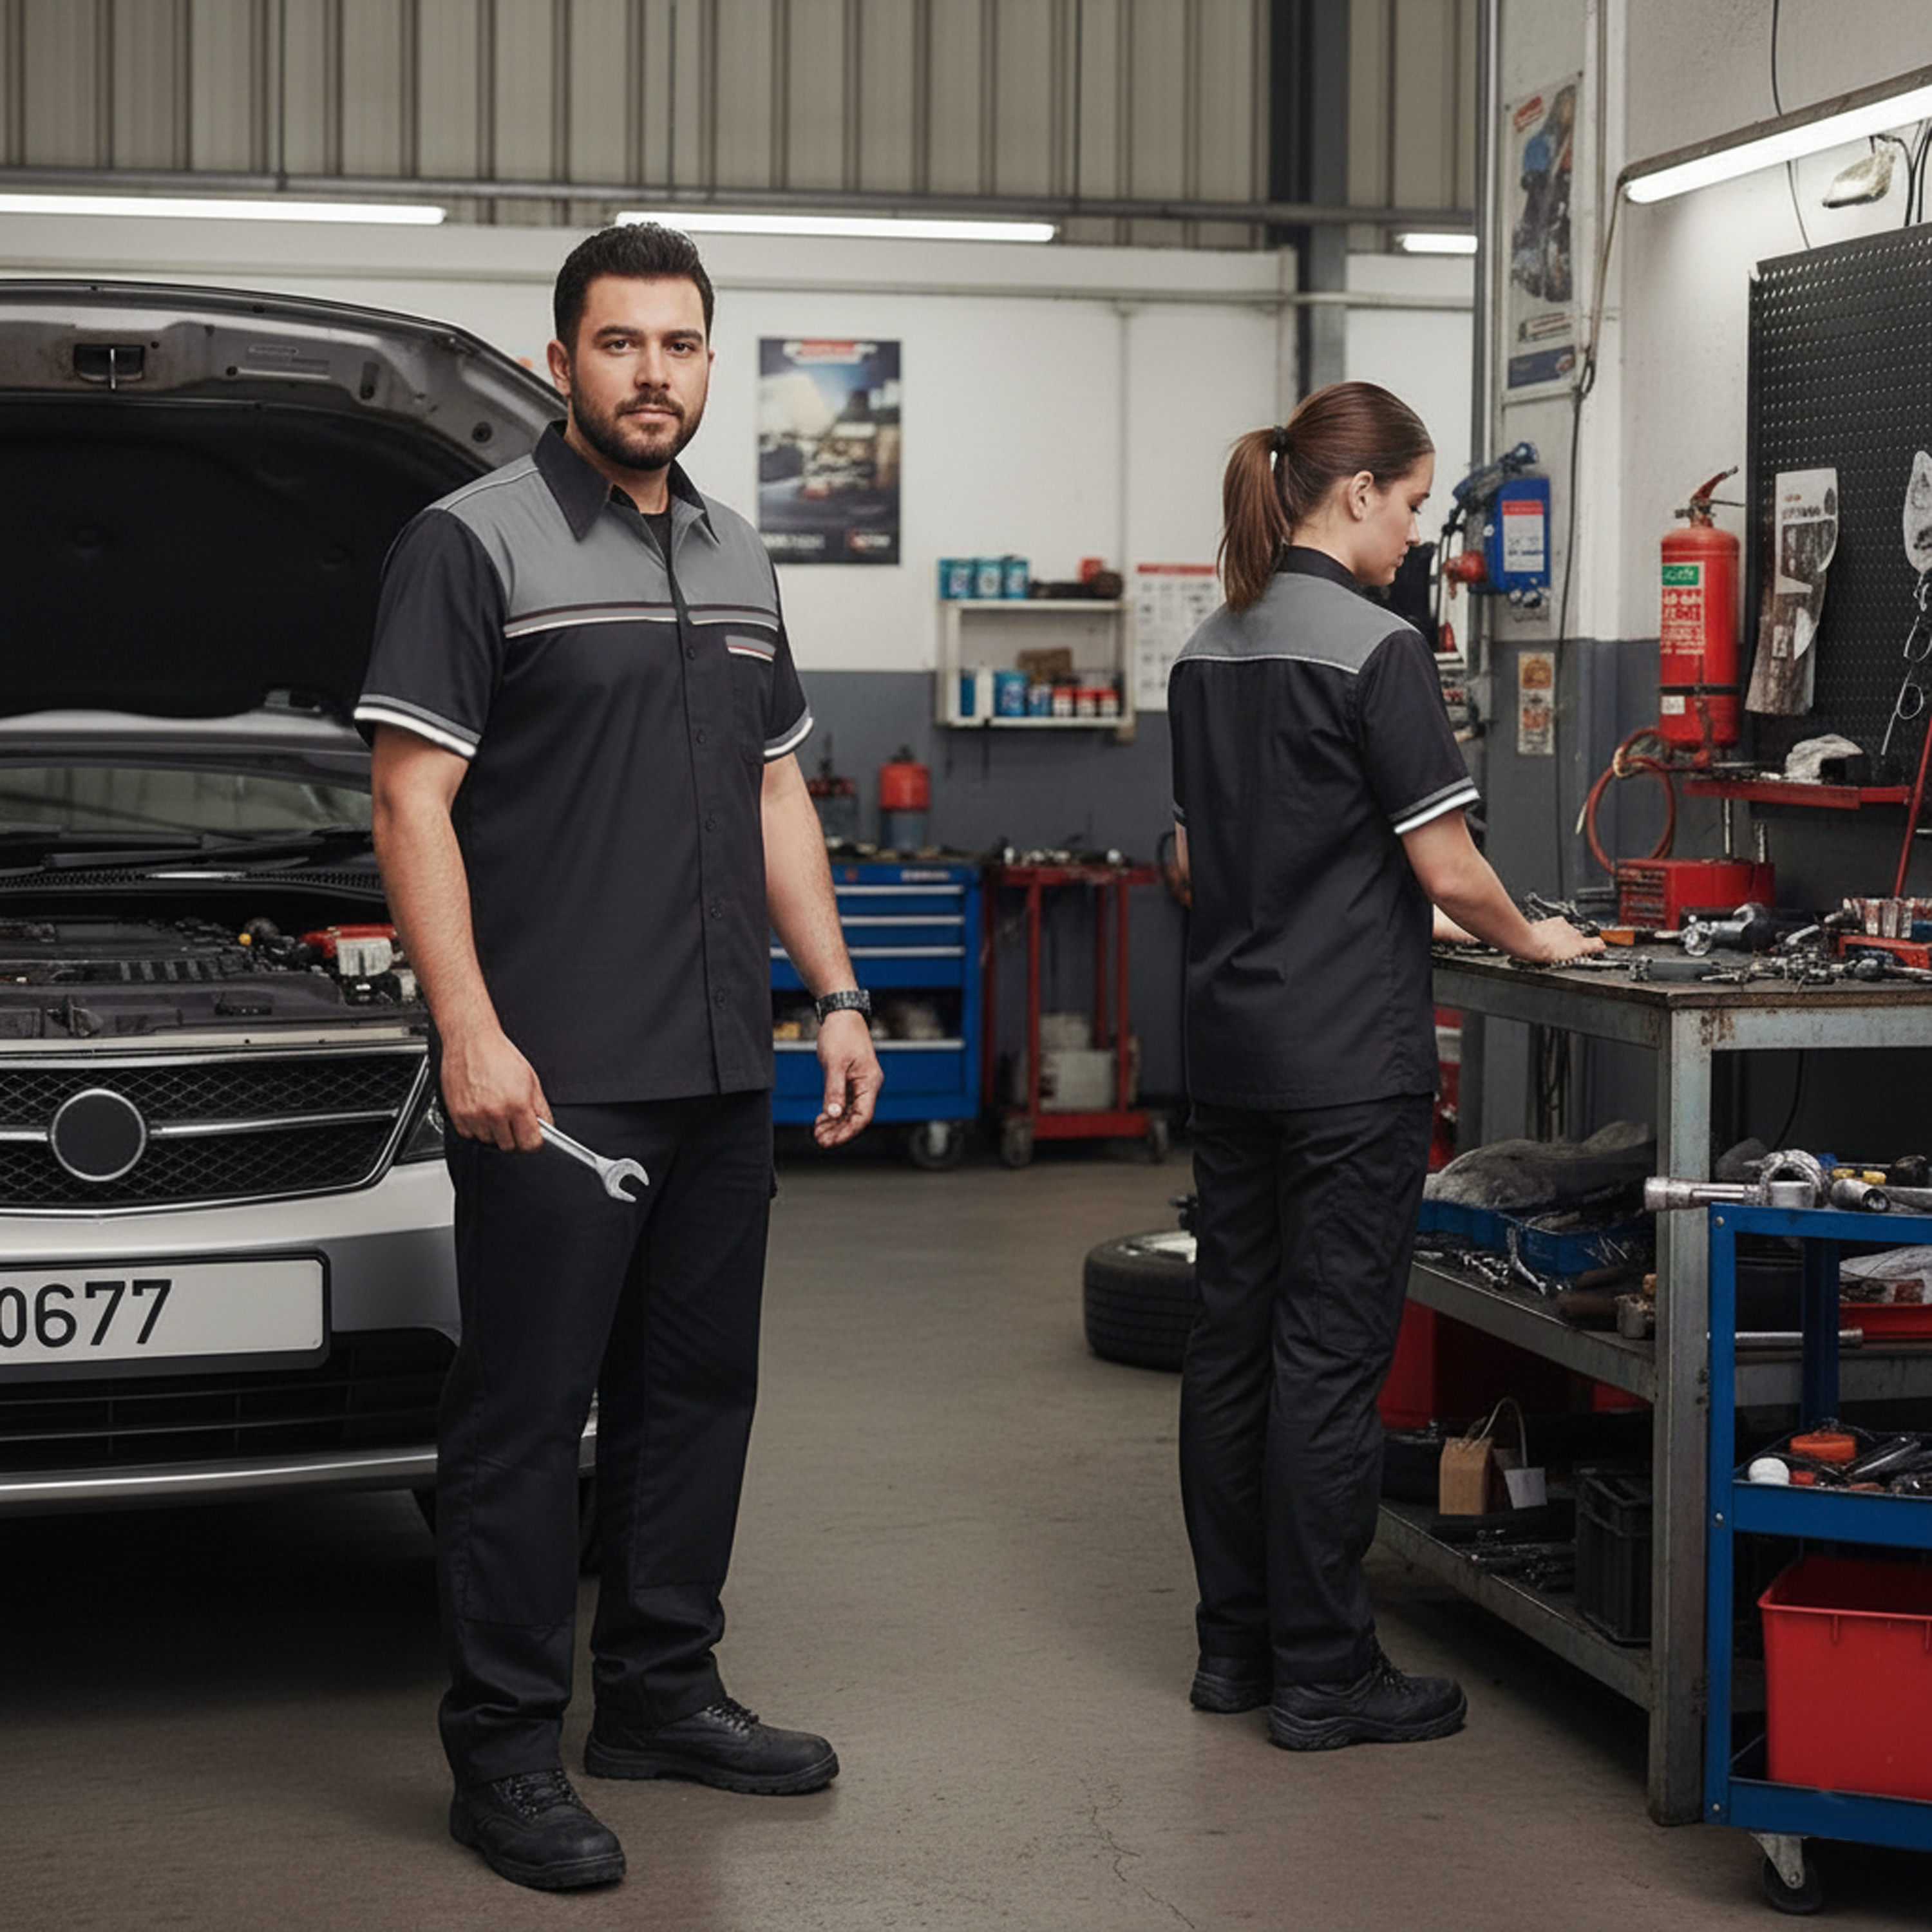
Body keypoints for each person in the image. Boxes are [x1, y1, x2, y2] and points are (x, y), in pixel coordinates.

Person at [357, 222, 884, 1892]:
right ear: (562, 356)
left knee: (695, 1400)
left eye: (680, 344)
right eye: (620, 343)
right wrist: (471, 1031)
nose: (653, 371)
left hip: (725, 1060)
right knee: (525, 1419)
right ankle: (503, 1753)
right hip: (557, 1075)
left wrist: (841, 993)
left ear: (712, 361)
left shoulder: (740, 556)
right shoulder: (472, 542)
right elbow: (407, 799)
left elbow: (778, 788)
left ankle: (659, 1692)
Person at [1166, 381, 1602, 1753]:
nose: (1419, 533)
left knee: (1231, 1349)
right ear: (1354, 492)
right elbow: (1446, 862)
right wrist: (1532, 938)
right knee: (1329, 1358)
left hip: (1231, 1047)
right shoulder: (1377, 648)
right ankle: (1327, 1673)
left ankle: (1234, 1655)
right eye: (1414, 503)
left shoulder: (1209, 646)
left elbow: (1203, 859)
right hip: (1347, 1058)